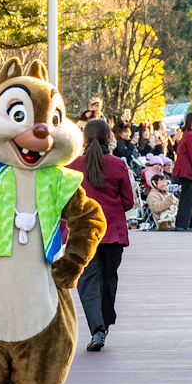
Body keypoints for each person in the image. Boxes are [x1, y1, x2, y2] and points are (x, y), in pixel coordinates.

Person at [68, 118, 135, 352]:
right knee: (109, 279)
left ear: (84, 138)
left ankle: (96, 328)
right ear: (110, 138)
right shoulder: (118, 165)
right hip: (112, 233)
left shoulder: (73, 166)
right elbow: (128, 202)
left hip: (83, 233)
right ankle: (105, 323)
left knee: (87, 281)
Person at [173, 111, 192, 231]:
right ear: (189, 122)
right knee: (188, 198)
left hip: (185, 170)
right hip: (188, 171)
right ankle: (182, 224)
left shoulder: (187, 134)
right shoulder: (191, 136)